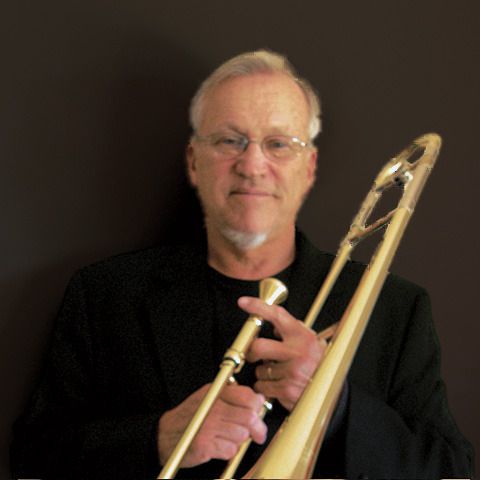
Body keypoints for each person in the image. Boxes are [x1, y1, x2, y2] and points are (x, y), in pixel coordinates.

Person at [11, 50, 473, 479]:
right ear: (194, 162)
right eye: (230, 141)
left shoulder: (394, 308)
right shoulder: (105, 295)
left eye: (279, 144)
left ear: (309, 168)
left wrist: (334, 404)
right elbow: (34, 457)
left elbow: (450, 469)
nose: (252, 166)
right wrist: (160, 438)